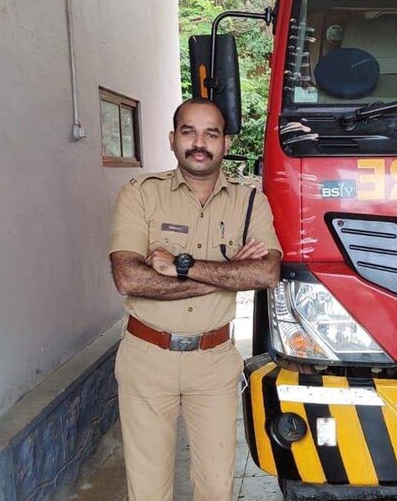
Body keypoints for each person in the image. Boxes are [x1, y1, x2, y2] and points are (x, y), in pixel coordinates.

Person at [108, 97, 282, 501]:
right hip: (147, 358)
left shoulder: (249, 201)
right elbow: (128, 277)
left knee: (216, 488)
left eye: (211, 134)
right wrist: (229, 273)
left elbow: (266, 273)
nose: (199, 143)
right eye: (189, 132)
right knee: (148, 490)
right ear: (172, 139)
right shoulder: (140, 194)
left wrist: (181, 267)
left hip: (214, 360)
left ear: (225, 143)